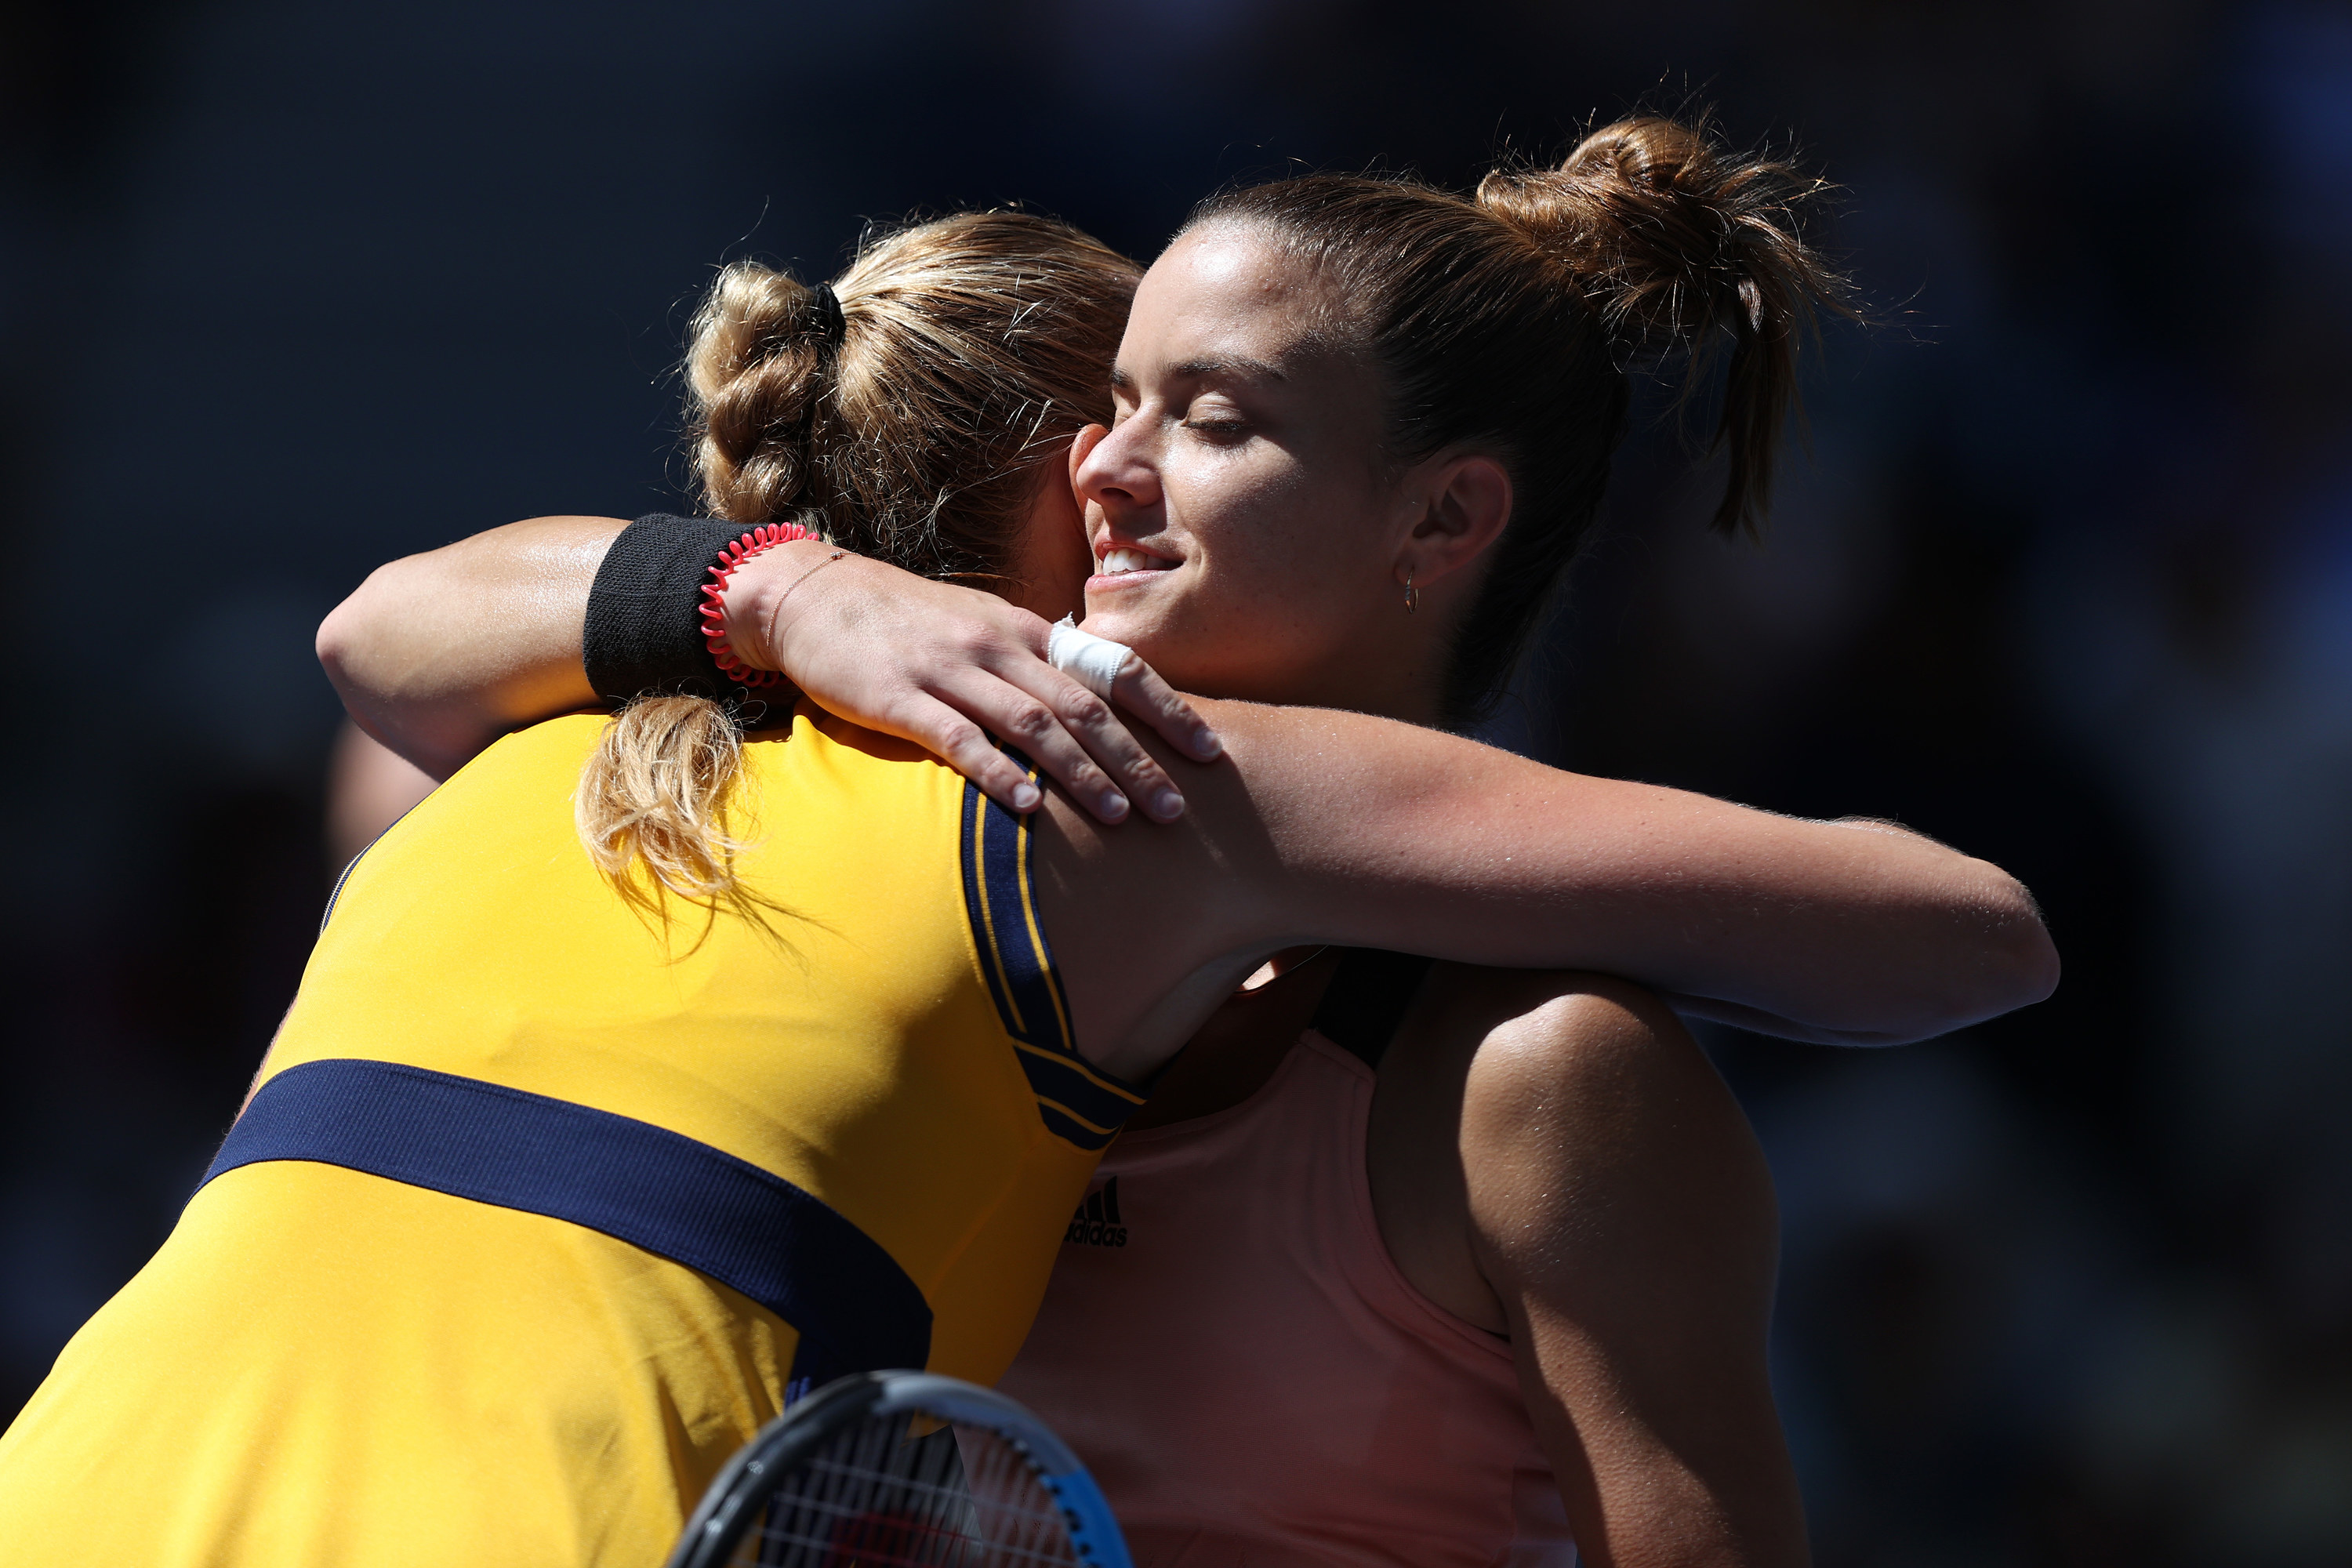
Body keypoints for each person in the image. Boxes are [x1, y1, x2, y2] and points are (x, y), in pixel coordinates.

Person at [167, 138, 2044, 1568]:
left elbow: (1975, 935)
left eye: (1208, 420)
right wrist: (784, 586)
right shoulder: (943, 867)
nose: (1110, 472)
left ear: (1443, 517)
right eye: (1109, 409)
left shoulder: (1539, 1080)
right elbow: (378, 645)